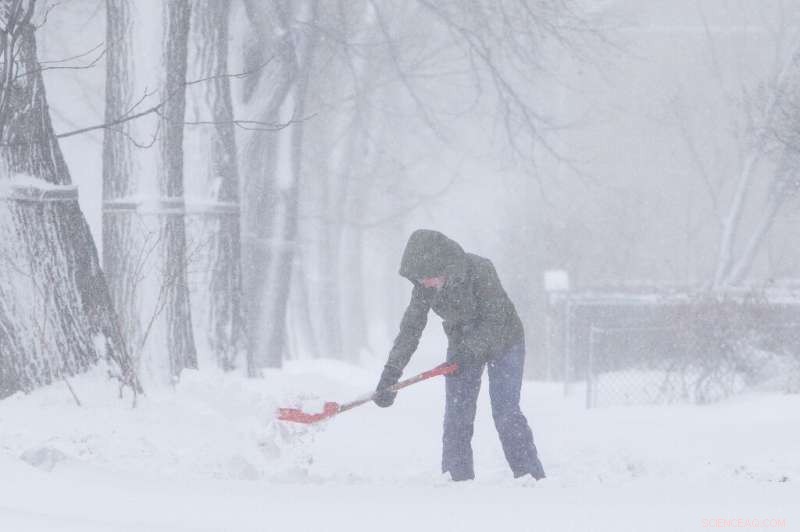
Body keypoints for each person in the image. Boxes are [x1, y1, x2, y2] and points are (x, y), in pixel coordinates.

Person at [373, 229, 546, 482]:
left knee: (505, 412)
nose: (423, 283)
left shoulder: (480, 270)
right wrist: (391, 373)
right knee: (457, 415)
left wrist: (470, 352)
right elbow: (410, 330)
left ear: (443, 266)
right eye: (419, 279)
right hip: (462, 343)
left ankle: (531, 477)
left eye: (427, 277)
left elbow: (495, 319)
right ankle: (457, 480)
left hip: (505, 341)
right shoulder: (425, 288)